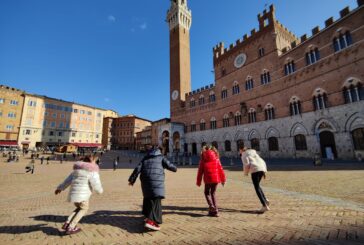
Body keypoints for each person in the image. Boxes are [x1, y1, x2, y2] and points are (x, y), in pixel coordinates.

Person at [128, 147, 177, 231]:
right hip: (157, 181)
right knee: (156, 200)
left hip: (145, 181)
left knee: (148, 198)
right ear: (159, 152)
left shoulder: (145, 158)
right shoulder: (161, 157)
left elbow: (137, 169)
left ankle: (147, 216)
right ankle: (151, 221)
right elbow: (171, 167)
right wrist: (175, 168)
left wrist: (132, 180)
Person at [55, 155, 103, 235]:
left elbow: (67, 181)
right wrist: (100, 191)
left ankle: (67, 223)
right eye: (95, 161)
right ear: (92, 161)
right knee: (84, 209)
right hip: (83, 195)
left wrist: (60, 188)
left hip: (74, 194)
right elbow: (96, 183)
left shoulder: (76, 170)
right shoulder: (92, 171)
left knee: (79, 208)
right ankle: (71, 227)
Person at [196, 145, 226, 217]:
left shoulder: (203, 159)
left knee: (206, 193)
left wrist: (198, 182)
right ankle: (215, 211)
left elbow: (200, 172)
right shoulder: (216, 158)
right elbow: (221, 170)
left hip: (208, 179)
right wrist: (223, 180)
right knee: (213, 193)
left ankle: (211, 205)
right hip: (216, 179)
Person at [239, 146, 270, 213]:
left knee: (256, 188)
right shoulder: (254, 153)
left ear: (242, 150)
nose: (239, 152)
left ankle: (264, 205)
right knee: (258, 186)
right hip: (261, 168)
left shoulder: (244, 154)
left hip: (255, 170)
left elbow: (246, 165)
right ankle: (265, 200)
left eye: (239, 150)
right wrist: (264, 170)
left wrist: (246, 173)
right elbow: (262, 161)